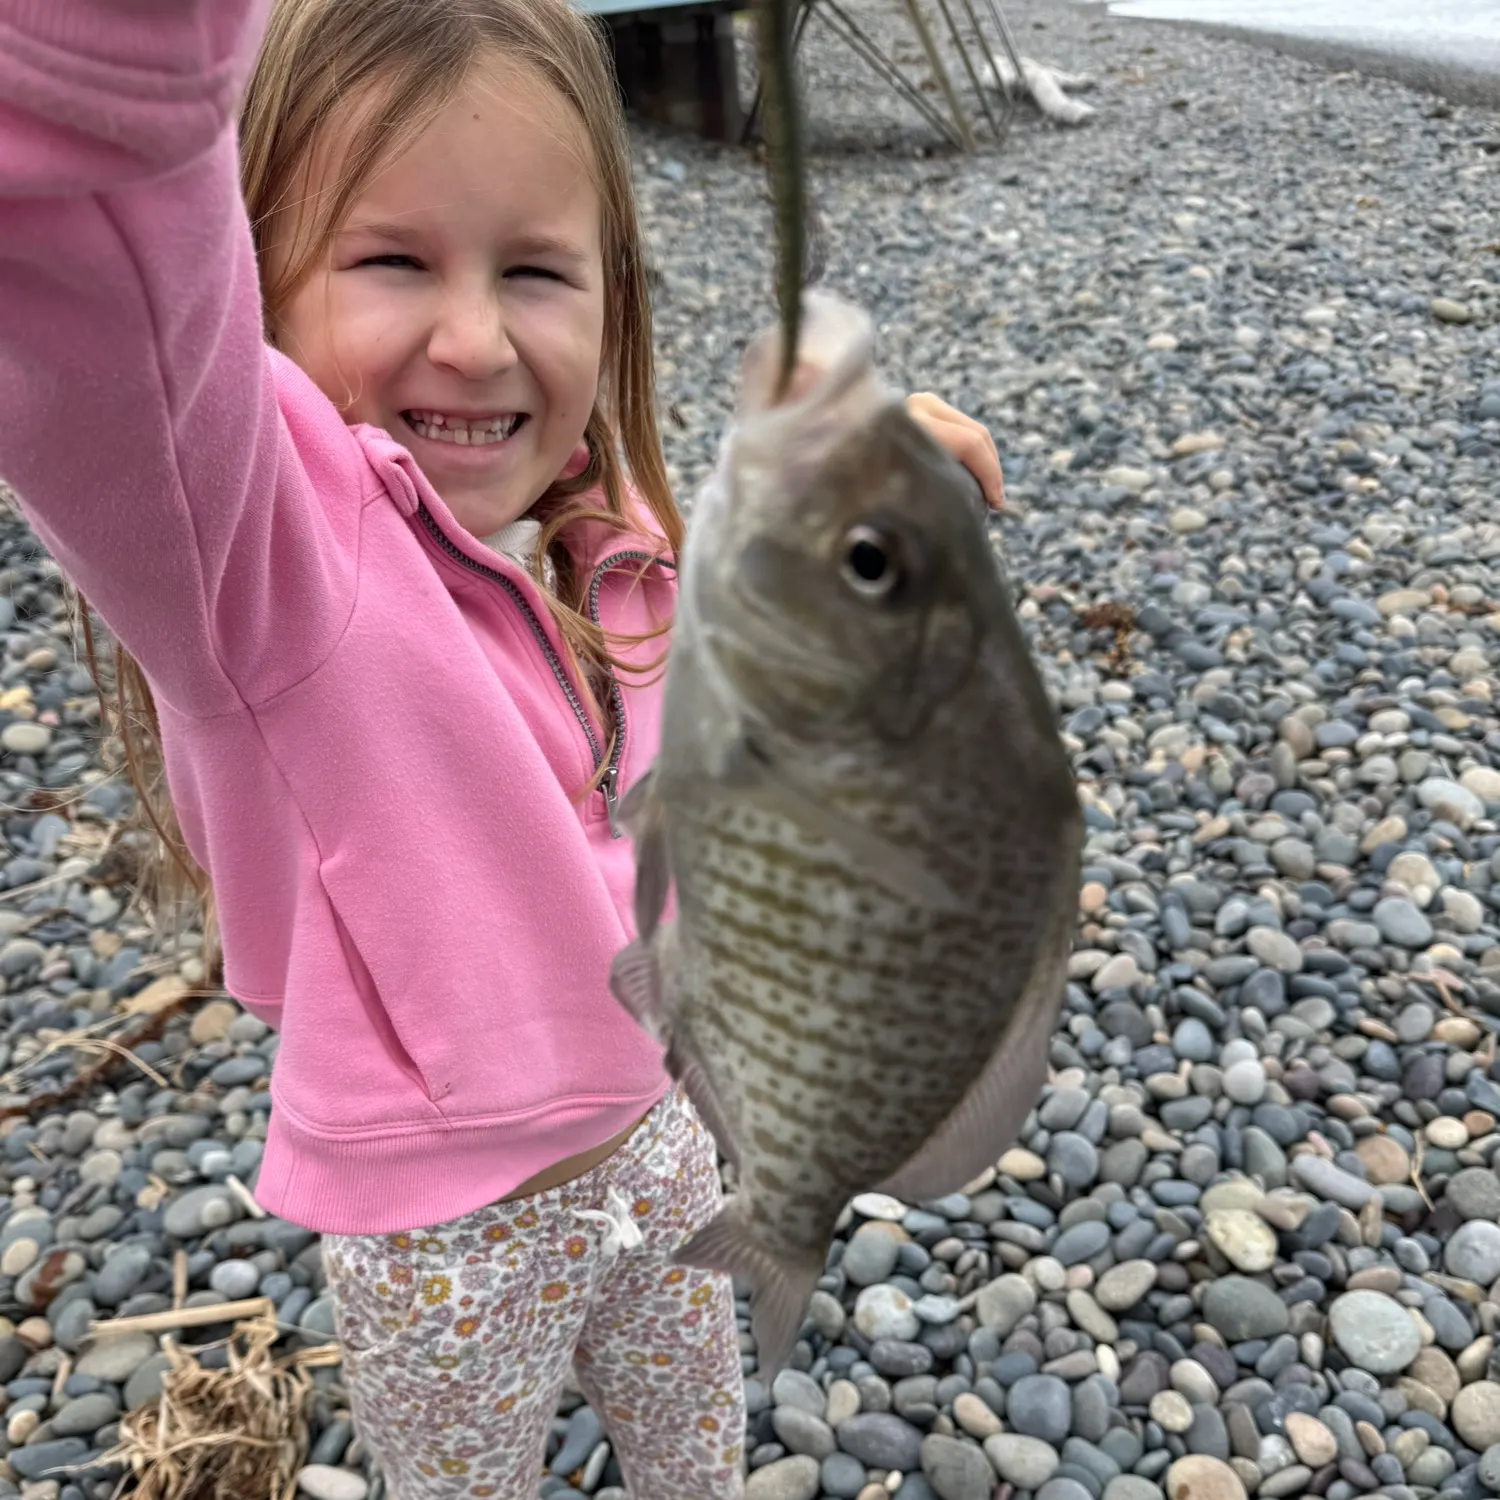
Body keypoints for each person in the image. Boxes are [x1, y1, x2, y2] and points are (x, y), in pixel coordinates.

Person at [0, 0, 1005, 1494]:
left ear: (615, 303)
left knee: (698, 1466)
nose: (472, 340)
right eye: (392, 259)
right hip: (445, 1242)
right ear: (252, 287)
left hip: (665, 1148)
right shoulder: (265, 564)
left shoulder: (621, 542)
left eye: (534, 270)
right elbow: (88, 296)